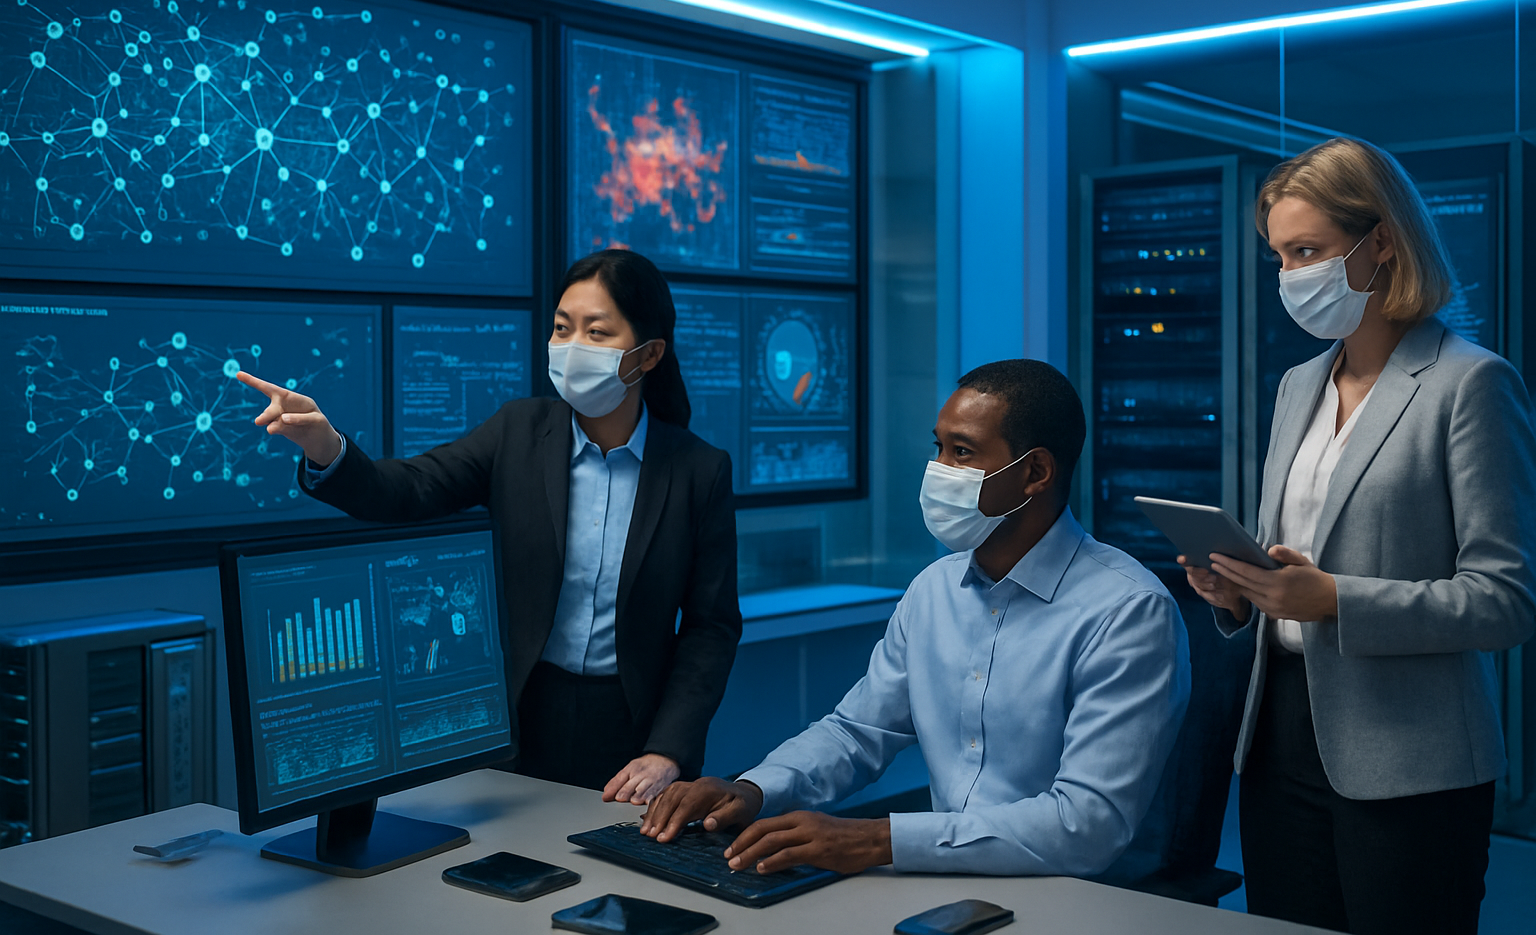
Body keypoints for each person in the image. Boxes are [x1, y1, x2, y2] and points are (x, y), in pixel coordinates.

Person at [641, 360, 1190, 879]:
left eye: (963, 452)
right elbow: (857, 731)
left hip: (1073, 900)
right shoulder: (933, 591)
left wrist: (878, 841)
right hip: (942, 884)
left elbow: (1087, 824)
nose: (938, 471)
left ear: (1036, 473)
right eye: (939, 448)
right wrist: (755, 789)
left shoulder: (1127, 611)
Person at [1182, 137, 1536, 935]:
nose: (1289, 278)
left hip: (1413, 759)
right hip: (1278, 741)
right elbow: (1291, 561)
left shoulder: (1470, 383)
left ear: (1382, 241)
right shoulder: (1296, 386)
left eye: (1307, 251)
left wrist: (1334, 600)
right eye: (1278, 256)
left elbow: (1506, 602)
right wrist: (1242, 593)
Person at [238, 249, 741, 804]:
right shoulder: (517, 433)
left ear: (649, 355)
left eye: (597, 333)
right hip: (521, 713)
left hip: (635, 731)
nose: (573, 349)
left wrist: (668, 751)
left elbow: (709, 628)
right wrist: (325, 445)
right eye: (561, 328)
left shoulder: (698, 471)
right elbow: (408, 490)